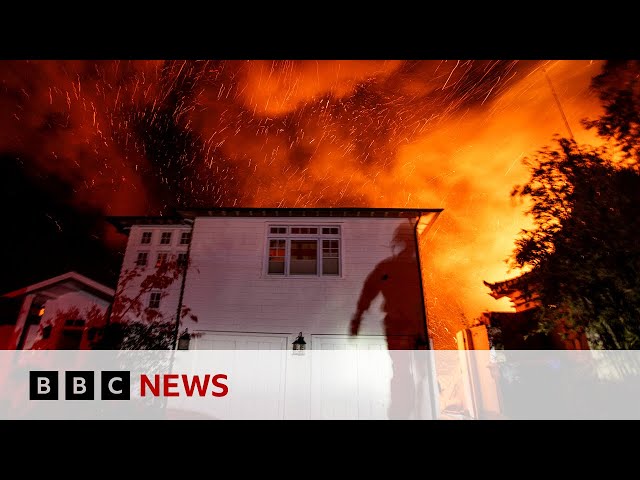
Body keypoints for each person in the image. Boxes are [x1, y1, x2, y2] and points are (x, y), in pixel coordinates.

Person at [350, 222, 430, 419]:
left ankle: (406, 411)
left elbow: (369, 290)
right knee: (412, 370)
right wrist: (358, 316)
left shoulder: (390, 267)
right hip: (406, 326)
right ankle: (407, 411)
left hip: (404, 326)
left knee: (408, 371)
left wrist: (358, 317)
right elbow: (369, 290)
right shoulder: (404, 268)